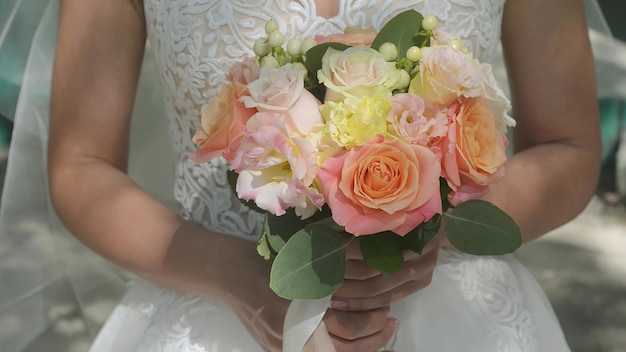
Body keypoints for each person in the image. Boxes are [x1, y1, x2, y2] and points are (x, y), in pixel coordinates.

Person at [30, 0, 601, 351]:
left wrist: (430, 228)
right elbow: (82, 168)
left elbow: (568, 148)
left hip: (455, 317)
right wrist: (241, 280)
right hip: (217, 306)